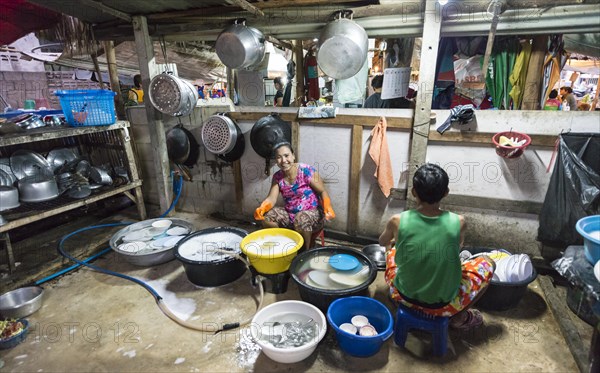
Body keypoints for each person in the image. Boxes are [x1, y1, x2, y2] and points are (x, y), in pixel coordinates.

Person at [379, 163, 495, 330]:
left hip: (404, 295)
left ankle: (396, 300)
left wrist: (395, 242)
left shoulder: (397, 220)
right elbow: (458, 249)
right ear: (446, 193)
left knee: (391, 249)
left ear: (414, 193)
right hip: (443, 303)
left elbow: (382, 242)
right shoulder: (459, 222)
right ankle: (459, 316)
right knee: (488, 262)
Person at [254, 142, 335, 251]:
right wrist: (263, 207)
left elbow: (322, 191)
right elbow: (272, 198)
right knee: (267, 216)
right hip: (290, 214)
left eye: (286, 156)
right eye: (279, 157)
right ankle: (283, 245)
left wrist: (327, 205)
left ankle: (304, 252)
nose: (283, 161)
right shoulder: (278, 177)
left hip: (312, 214)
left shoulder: (306, 170)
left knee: (300, 219)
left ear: (293, 156)